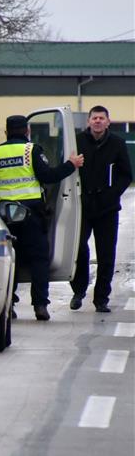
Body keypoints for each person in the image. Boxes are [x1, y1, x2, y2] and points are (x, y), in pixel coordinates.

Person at [0, 115, 84, 321]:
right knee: (39, 260)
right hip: (31, 214)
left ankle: (9, 303)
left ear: (6, 132)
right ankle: (40, 305)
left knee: (8, 260)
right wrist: (71, 164)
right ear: (27, 131)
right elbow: (48, 176)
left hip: (4, 215)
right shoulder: (31, 150)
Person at [70, 106, 132, 313]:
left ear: (108, 121)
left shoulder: (117, 143)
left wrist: (112, 193)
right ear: (88, 121)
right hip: (83, 206)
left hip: (107, 208)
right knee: (79, 249)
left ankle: (101, 298)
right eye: (94, 118)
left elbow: (126, 175)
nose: (97, 121)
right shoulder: (77, 141)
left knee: (106, 254)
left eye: (101, 118)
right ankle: (78, 290)